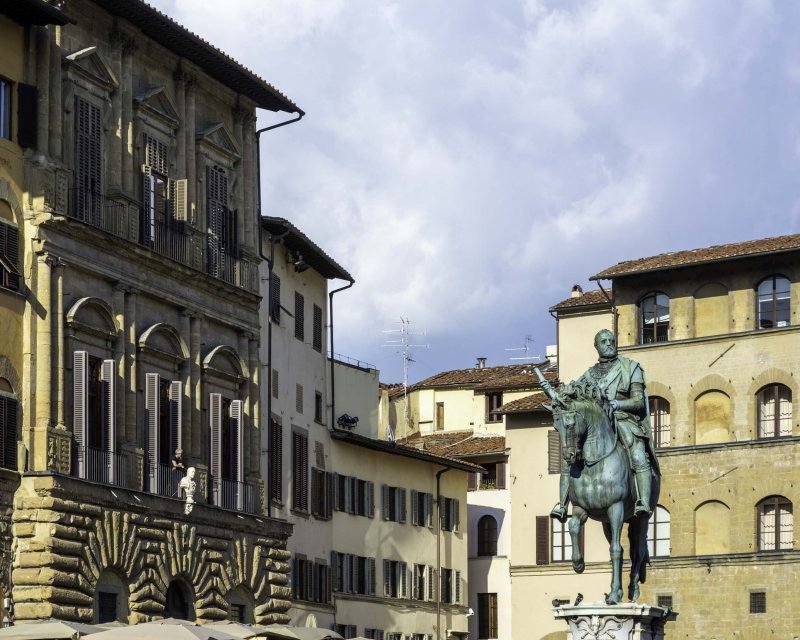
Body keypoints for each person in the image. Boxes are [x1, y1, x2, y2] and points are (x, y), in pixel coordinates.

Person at [550, 329, 657, 521]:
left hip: (623, 419)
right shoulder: (588, 376)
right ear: (596, 346)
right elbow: (576, 399)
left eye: (612, 340)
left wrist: (618, 403)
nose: (609, 344)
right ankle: (563, 504)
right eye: (604, 341)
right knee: (570, 457)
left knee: (638, 452)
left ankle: (642, 500)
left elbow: (639, 401)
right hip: (595, 425)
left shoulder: (631, 368)